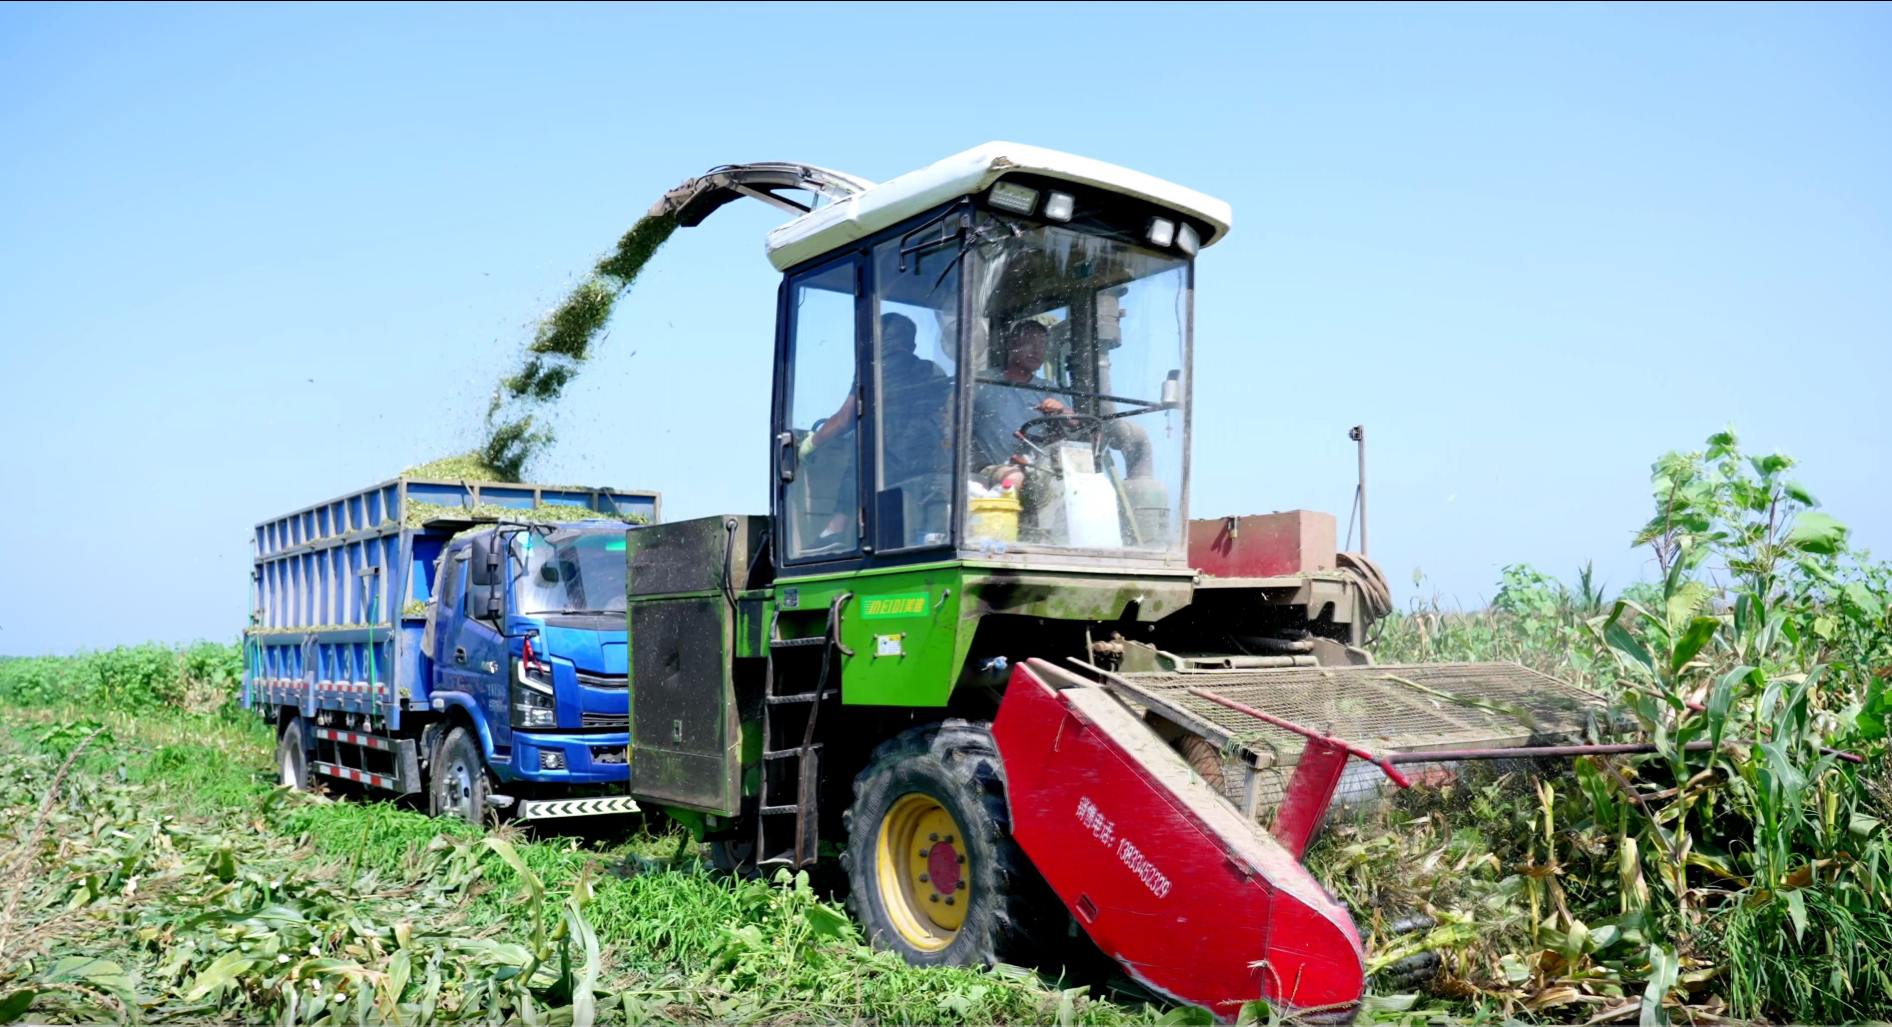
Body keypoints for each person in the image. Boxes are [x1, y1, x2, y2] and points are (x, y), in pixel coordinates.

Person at [798, 313, 947, 542]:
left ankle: (836, 528)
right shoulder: (932, 370)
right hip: (930, 464)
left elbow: (844, 419)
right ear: (912, 345)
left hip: (888, 464)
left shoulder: (873, 371)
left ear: (876, 343)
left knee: (862, 451)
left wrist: (810, 443)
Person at [972, 319, 1069, 490]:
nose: (1037, 350)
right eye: (1030, 343)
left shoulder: (1047, 388)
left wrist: (1061, 411)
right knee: (1014, 479)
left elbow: (1076, 421)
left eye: (1042, 346)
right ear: (1012, 344)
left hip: (1037, 473)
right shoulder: (981, 382)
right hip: (985, 471)